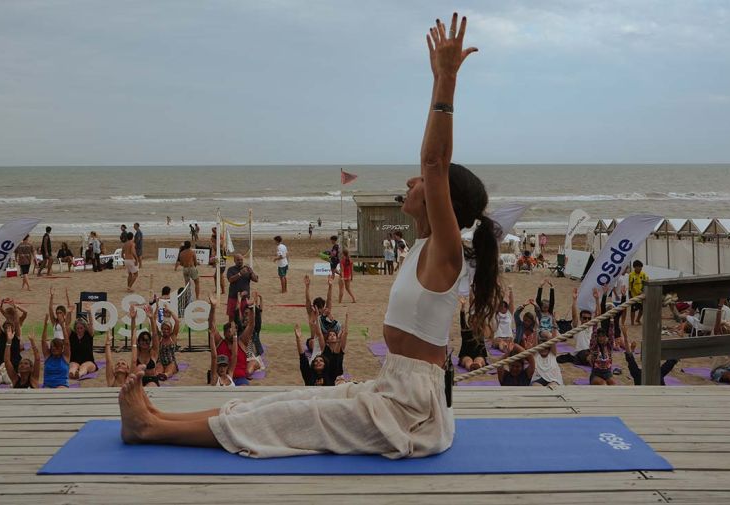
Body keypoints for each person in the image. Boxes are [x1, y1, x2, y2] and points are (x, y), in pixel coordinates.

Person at [117, 14, 495, 459]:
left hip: (411, 413)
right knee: (286, 402)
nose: (413, 181)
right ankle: (158, 418)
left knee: (288, 420)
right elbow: (431, 166)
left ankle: (149, 430)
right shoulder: (422, 249)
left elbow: (434, 160)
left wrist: (445, 78)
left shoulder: (444, 254)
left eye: (424, 183)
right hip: (393, 388)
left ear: (442, 199)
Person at [208, 295, 254, 386]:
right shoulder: (220, 342)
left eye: (233, 330)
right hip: (222, 377)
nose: (231, 332)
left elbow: (251, 326)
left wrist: (251, 308)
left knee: (245, 389)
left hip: (239, 378)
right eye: (228, 331)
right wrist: (213, 308)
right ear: (224, 333)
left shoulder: (241, 342)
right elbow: (211, 324)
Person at [557, 288, 594, 367]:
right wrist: (574, 300)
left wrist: (597, 300)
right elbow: (574, 316)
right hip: (581, 353)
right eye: (584, 318)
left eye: (588, 318)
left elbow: (599, 315)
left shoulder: (592, 327)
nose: (587, 320)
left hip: (592, 351)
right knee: (588, 355)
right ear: (581, 319)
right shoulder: (577, 328)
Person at [131, 304, 162, 387]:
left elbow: (155, 335)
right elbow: (133, 335)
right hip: (138, 379)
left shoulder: (153, 352)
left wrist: (152, 319)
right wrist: (133, 319)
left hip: (152, 380)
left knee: (149, 387)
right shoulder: (137, 352)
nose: (145, 342)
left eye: (147, 340)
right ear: (139, 342)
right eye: (142, 340)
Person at [295, 320, 334, 386]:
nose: (318, 362)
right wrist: (298, 339)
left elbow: (343, 372)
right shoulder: (309, 374)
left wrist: (346, 379)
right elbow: (302, 357)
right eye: (309, 342)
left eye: (334, 335)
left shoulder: (334, 358)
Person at [457, 298, 488, 371]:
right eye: (472, 320)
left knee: (479, 361)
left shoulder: (480, 330)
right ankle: (471, 366)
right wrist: (463, 307)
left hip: (479, 354)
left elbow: (483, 317)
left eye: (476, 320)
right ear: (469, 322)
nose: (474, 322)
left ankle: (477, 366)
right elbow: (462, 319)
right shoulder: (465, 330)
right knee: (468, 361)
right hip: (466, 354)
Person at [41, 315, 70, 388]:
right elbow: (43, 342)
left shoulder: (65, 357)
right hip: (48, 386)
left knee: (60, 390)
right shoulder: (48, 356)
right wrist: (45, 326)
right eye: (52, 347)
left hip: (61, 385)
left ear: (61, 348)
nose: (54, 349)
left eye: (56, 347)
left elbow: (66, 343)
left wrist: (63, 326)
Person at [225, 253, 258, 317]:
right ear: (234, 261)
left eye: (241, 260)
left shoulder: (247, 269)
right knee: (232, 317)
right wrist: (240, 274)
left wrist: (251, 272)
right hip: (233, 297)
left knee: (245, 317)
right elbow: (230, 280)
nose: (240, 261)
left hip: (245, 298)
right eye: (238, 260)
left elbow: (256, 280)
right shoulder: (231, 269)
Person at [209, 317, 237, 387]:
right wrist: (212, 337)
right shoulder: (215, 377)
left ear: (227, 366)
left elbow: (234, 356)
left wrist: (235, 336)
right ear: (217, 367)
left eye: (224, 366)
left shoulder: (230, 375)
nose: (222, 368)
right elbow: (214, 357)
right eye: (220, 366)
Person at [157, 306, 181, 380]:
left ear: (170, 329)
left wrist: (170, 311)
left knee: (169, 370)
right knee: (158, 370)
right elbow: (153, 325)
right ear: (161, 329)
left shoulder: (173, 337)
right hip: (161, 361)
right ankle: (159, 375)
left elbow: (177, 321)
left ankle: (165, 375)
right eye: (164, 329)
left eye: (167, 329)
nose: (165, 331)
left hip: (171, 362)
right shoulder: (159, 337)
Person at [490, 287, 515, 352]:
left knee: (508, 342)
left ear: (506, 308)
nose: (502, 307)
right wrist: (498, 292)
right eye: (500, 306)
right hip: (498, 338)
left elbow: (511, 302)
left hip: (508, 337)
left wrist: (510, 291)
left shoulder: (509, 314)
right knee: (501, 342)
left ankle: (506, 349)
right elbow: (494, 302)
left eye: (504, 306)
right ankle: (504, 350)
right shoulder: (496, 314)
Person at [628, 260, 649, 325]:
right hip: (634, 295)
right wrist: (630, 295)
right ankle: (632, 323)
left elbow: (647, 282)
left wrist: (643, 292)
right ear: (635, 267)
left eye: (641, 267)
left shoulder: (643, 274)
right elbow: (630, 286)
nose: (640, 268)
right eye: (639, 267)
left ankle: (638, 319)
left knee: (642, 309)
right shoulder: (631, 275)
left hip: (642, 295)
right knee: (633, 309)